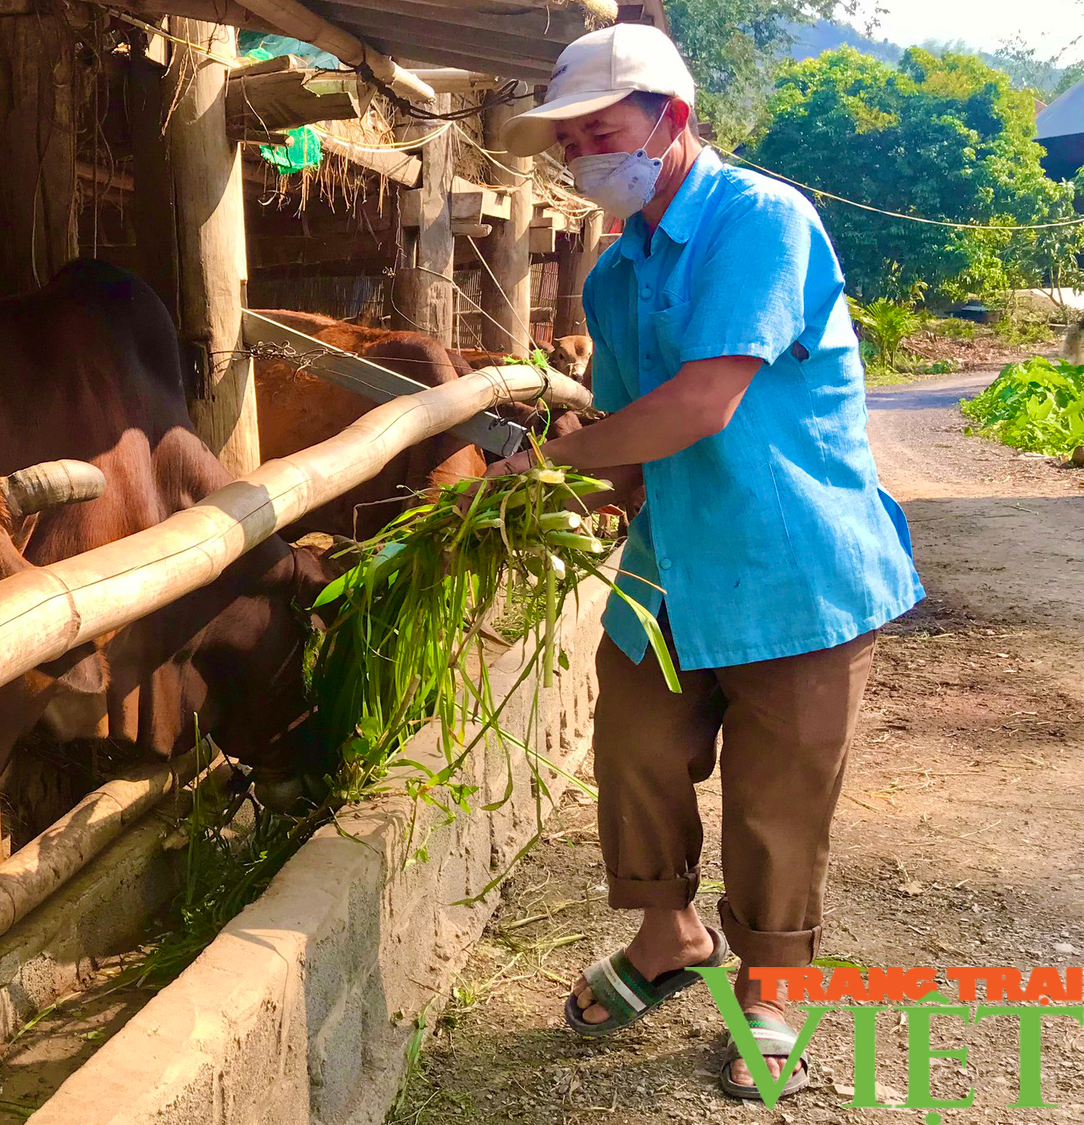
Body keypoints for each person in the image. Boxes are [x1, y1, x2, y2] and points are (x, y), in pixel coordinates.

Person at [483, 22, 924, 1100]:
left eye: (603, 134)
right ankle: (667, 935)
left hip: (791, 561)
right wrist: (550, 495)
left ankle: (773, 987)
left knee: (777, 792)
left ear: (669, 122)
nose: (586, 159)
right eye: (569, 144)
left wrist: (553, 452)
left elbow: (700, 401)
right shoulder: (614, 275)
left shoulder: (759, 221)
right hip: (671, 561)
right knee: (631, 739)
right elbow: (631, 430)